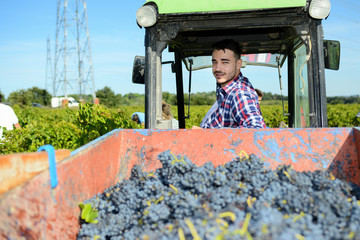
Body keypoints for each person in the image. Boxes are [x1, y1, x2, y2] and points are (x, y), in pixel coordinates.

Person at [198, 39, 266, 129]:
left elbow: (255, 128)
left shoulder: (239, 93)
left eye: (225, 62)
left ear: (238, 64)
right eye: (214, 62)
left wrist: (206, 135)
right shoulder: (225, 91)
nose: (217, 68)